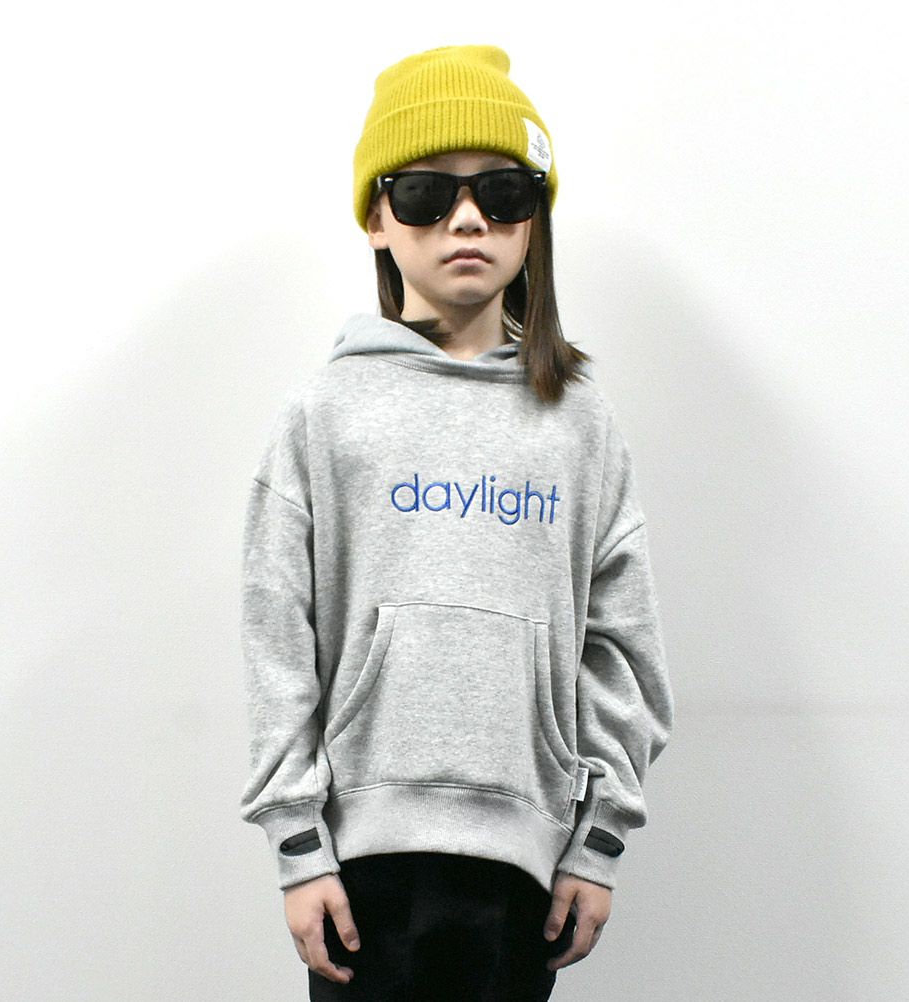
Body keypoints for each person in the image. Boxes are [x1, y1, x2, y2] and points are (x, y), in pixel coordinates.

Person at [238, 44, 675, 1001]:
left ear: (534, 220)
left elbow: (623, 644)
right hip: (360, 862)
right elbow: (277, 637)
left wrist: (600, 840)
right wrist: (298, 845)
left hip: (528, 862)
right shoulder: (324, 413)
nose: (468, 218)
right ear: (377, 218)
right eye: (427, 193)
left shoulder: (579, 422)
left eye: (504, 192)